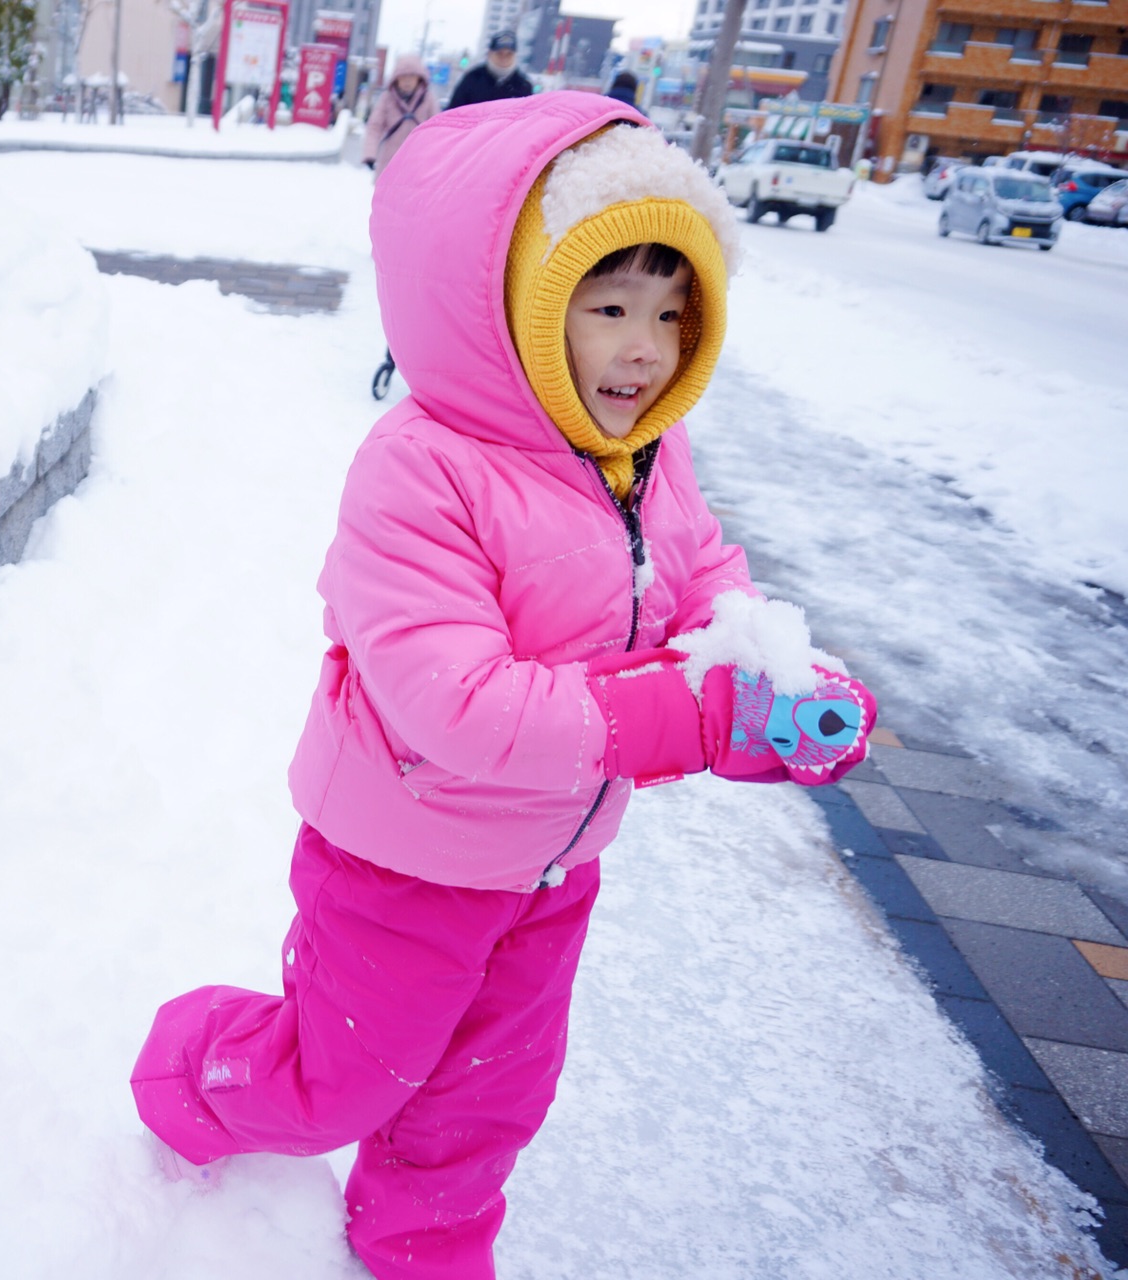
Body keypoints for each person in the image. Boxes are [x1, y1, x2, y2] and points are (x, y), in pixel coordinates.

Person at [131, 94, 875, 1280]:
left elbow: (704, 583)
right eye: (610, 306)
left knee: (490, 1093)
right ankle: (188, 1071)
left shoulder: (646, 459)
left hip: (549, 862)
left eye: (675, 311)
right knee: (344, 1082)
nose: (646, 347)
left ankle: (421, 1251)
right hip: (404, 857)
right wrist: (684, 717)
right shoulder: (424, 469)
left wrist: (772, 668)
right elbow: (458, 703)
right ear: (525, 308)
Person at [361, 54, 436, 175]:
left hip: (419, 161)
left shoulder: (428, 99)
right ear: (396, 78)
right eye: (403, 76)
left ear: (419, 78)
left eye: (411, 76)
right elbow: (374, 127)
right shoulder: (387, 98)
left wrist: (435, 158)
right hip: (390, 160)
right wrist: (370, 154)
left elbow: (437, 130)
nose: (407, 80)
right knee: (388, 192)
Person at [445, 31, 533, 109]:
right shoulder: (472, 79)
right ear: (490, 54)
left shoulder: (523, 85)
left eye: (509, 54)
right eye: (499, 53)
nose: (504, 58)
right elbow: (454, 111)